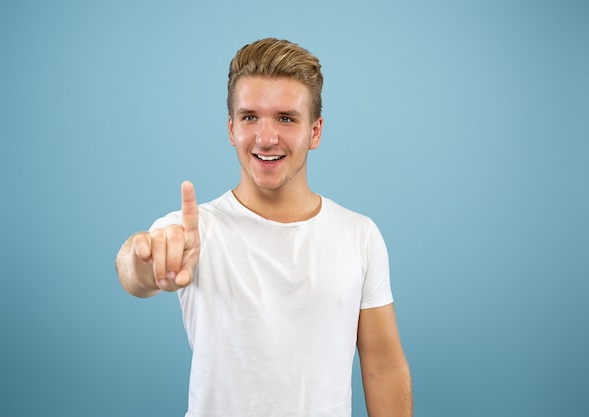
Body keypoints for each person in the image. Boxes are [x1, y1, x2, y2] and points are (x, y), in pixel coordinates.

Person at [115, 37, 412, 417]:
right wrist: (148, 259)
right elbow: (133, 271)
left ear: (315, 131)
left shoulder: (360, 235)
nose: (266, 137)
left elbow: (383, 367)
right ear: (231, 128)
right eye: (250, 117)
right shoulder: (191, 232)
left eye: (286, 118)